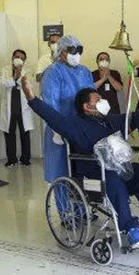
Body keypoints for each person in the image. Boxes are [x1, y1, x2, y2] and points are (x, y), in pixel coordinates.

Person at [21, 82, 139, 249]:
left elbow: (134, 118)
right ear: (86, 106)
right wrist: (32, 99)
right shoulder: (75, 125)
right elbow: (53, 118)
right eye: (98, 99)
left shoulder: (109, 121)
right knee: (112, 177)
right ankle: (130, 229)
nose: (102, 102)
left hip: (119, 169)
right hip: (94, 174)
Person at [41, 35, 94, 191]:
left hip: (83, 129)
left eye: (79, 50)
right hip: (61, 129)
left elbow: (92, 97)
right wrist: (58, 129)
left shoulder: (85, 72)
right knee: (62, 174)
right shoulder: (52, 73)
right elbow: (50, 104)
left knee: (83, 171)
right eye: (71, 50)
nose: (76, 53)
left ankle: (83, 211)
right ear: (61, 51)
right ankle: (67, 213)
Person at [0, 49, 34, 167]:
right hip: (10, 109)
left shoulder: (27, 71)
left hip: (23, 108)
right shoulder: (5, 69)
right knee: (9, 135)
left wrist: (19, 75)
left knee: (25, 135)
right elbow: (2, 83)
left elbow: (28, 85)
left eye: (21, 58)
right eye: (16, 56)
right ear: (12, 57)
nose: (18, 59)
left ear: (24, 61)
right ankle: (11, 159)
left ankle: (25, 159)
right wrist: (14, 77)